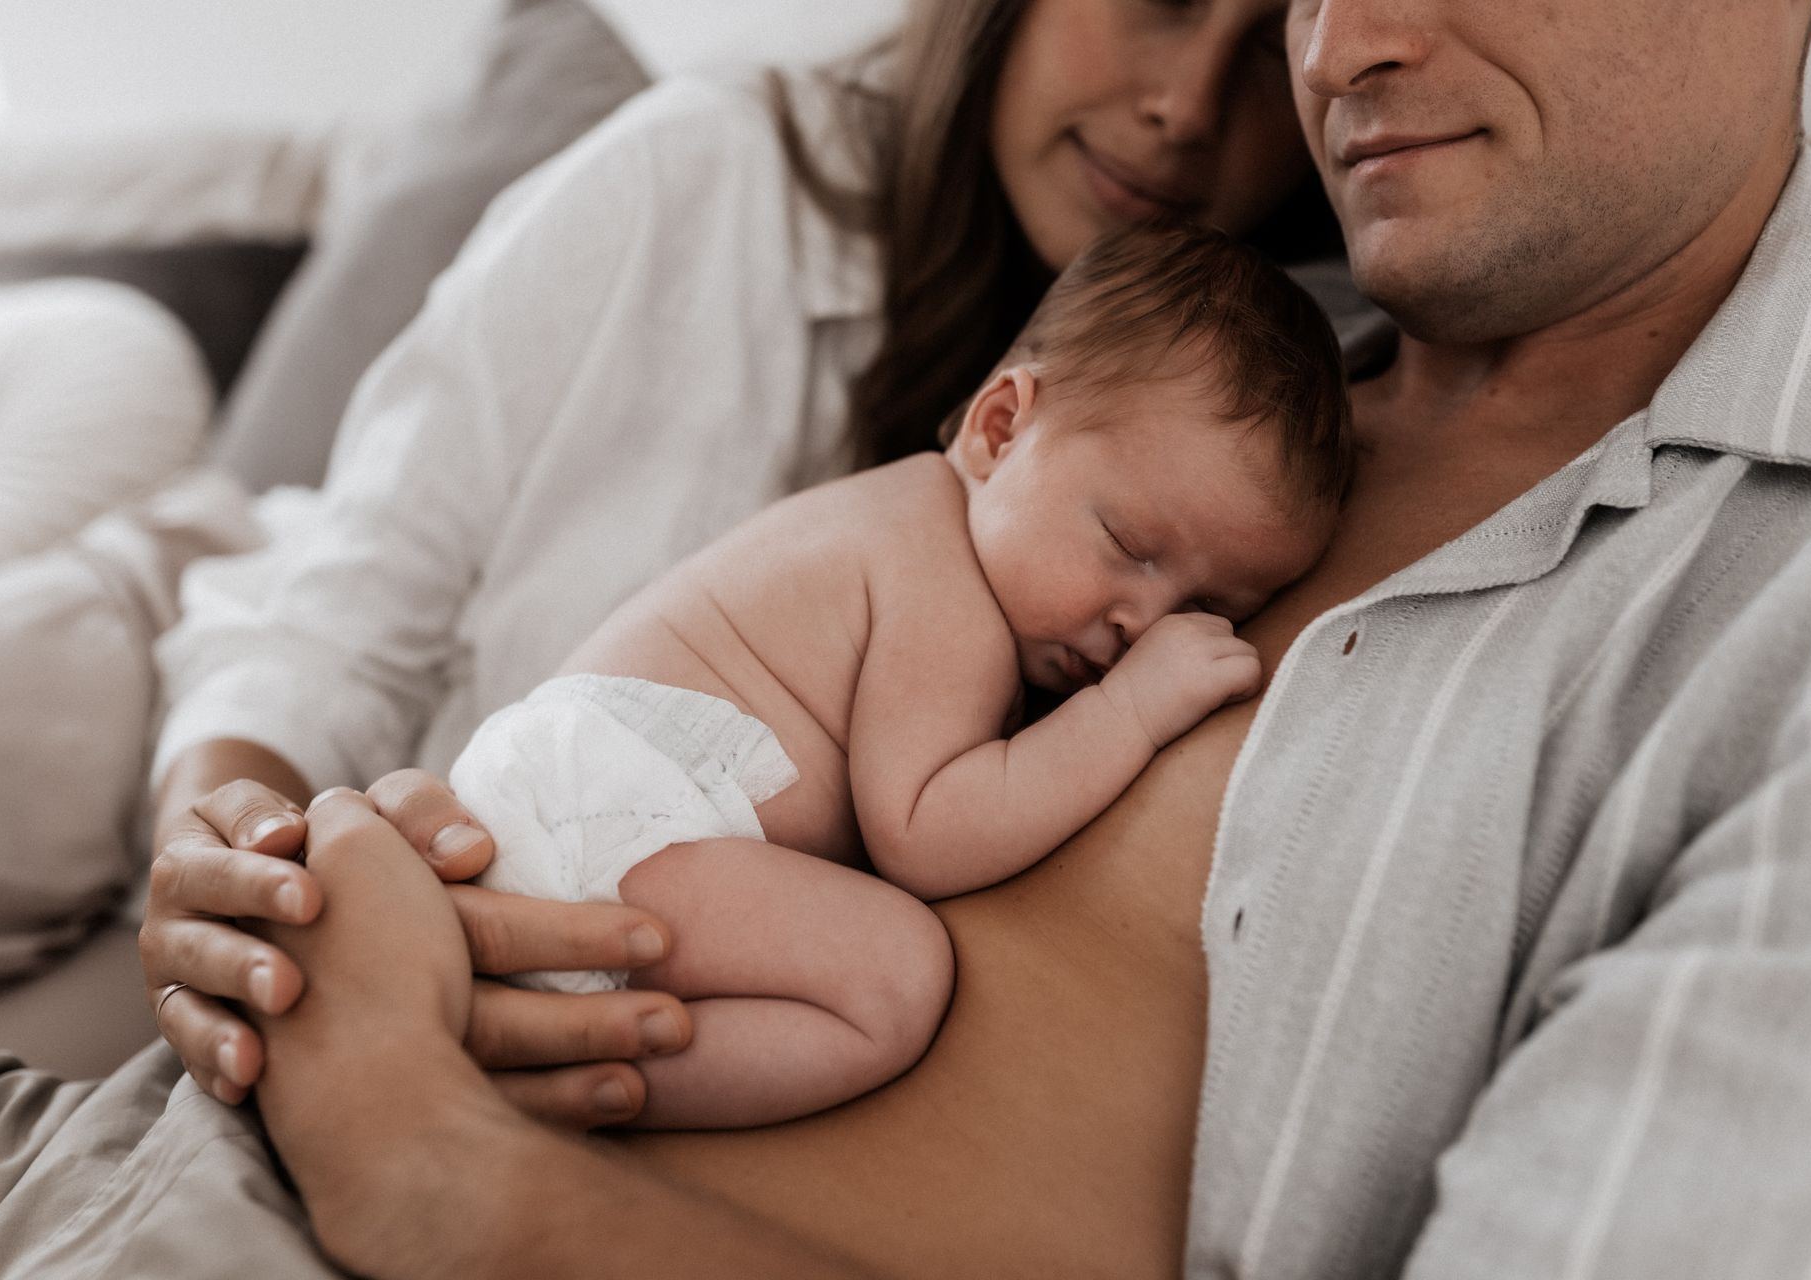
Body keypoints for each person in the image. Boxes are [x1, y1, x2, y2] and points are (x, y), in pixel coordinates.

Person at [226, 0, 1811, 1275]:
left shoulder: (1767, 629)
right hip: (209, 1148)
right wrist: (280, 880)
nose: (1335, 49)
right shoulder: (1228, 378)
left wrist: (429, 1161)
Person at [143, 0, 1327, 1120]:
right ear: (1000, 424)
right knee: (894, 976)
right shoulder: (701, 185)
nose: (1188, 104)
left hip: (445, 866)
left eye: (1272, 44)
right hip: (238, 723)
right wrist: (232, 852)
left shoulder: (1266, 426)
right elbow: (330, 619)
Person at [446, 225, 1348, 1128]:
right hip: (607, 824)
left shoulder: (902, 515)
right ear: (1001, 427)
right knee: (892, 978)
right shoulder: (940, 580)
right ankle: (555, 1101)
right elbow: (927, 832)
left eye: (1208, 607)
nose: (1144, 626)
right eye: (1129, 545)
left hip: (561, 798)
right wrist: (1130, 712)